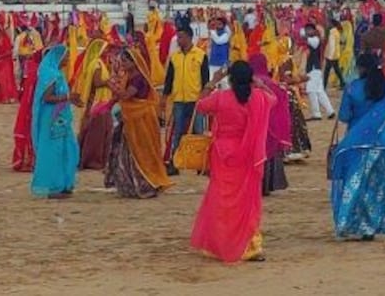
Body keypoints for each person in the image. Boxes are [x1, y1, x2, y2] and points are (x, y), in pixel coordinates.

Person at [190, 61, 274, 263]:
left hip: (223, 153)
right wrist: (259, 84)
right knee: (246, 200)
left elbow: (200, 105)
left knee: (221, 198)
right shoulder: (259, 98)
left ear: (230, 79)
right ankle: (249, 246)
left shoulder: (221, 98)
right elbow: (274, 99)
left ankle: (221, 244)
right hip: (247, 156)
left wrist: (213, 81)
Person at [329, 53, 385, 242]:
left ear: (361, 68)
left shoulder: (352, 89)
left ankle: (367, 227)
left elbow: (345, 117)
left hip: (360, 144)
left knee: (364, 186)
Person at [104, 47, 173, 199]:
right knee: (127, 150)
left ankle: (145, 184)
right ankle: (129, 184)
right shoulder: (128, 76)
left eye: (125, 60)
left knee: (142, 151)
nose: (123, 63)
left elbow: (127, 95)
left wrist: (111, 84)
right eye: (122, 60)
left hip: (141, 118)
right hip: (130, 119)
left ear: (134, 62)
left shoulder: (138, 78)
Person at [30, 46, 81, 198]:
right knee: (53, 151)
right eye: (65, 56)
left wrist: (71, 99)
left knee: (67, 148)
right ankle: (53, 186)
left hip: (61, 119)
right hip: (52, 120)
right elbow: (47, 98)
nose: (67, 59)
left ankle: (64, 184)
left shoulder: (58, 74)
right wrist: (68, 98)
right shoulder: (50, 75)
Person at [160, 26, 209, 175]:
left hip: (196, 100)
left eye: (181, 37)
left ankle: (201, 163)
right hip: (179, 100)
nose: (178, 40)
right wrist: (164, 97)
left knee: (199, 132)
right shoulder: (174, 57)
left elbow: (205, 79)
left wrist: (204, 96)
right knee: (177, 132)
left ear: (189, 37)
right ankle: (174, 163)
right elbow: (169, 79)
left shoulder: (201, 55)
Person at [249, 54, 290, 196]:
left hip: (256, 125)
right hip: (272, 126)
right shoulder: (272, 84)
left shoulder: (251, 83)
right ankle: (268, 186)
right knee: (270, 154)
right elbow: (282, 101)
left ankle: (257, 186)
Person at [76, 39, 114, 170]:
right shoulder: (97, 64)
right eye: (106, 49)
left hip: (100, 101)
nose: (108, 51)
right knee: (96, 132)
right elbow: (97, 83)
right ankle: (92, 160)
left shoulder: (99, 63)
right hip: (98, 102)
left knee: (98, 131)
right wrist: (108, 82)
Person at [303, 23, 335, 121]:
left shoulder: (315, 40)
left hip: (313, 68)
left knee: (311, 90)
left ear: (313, 30)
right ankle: (330, 111)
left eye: (309, 30)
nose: (307, 32)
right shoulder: (315, 39)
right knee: (319, 91)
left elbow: (306, 39)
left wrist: (303, 36)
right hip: (315, 68)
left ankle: (316, 113)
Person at [324, 20, 346, 90]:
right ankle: (342, 82)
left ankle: (324, 85)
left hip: (331, 55)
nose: (327, 24)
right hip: (336, 54)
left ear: (331, 24)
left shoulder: (332, 32)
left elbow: (332, 45)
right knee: (337, 69)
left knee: (327, 71)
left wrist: (330, 56)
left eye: (329, 23)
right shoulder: (337, 31)